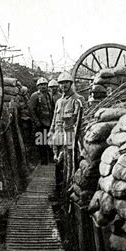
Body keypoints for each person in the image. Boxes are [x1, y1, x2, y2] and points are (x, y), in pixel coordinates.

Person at [56, 72, 85, 200]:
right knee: (58, 163)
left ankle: (69, 192)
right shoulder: (59, 101)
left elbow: (79, 122)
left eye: (66, 83)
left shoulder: (77, 100)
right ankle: (60, 191)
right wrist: (52, 134)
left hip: (71, 138)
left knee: (72, 164)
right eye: (61, 84)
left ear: (71, 84)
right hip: (59, 136)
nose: (63, 86)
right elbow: (54, 120)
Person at [28, 77, 54, 165]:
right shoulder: (35, 96)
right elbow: (31, 110)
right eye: (41, 85)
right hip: (40, 123)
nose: (43, 87)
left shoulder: (49, 95)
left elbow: (52, 107)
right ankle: (43, 160)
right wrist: (36, 121)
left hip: (49, 122)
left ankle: (51, 159)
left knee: (50, 141)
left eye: (45, 85)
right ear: (38, 86)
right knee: (41, 143)